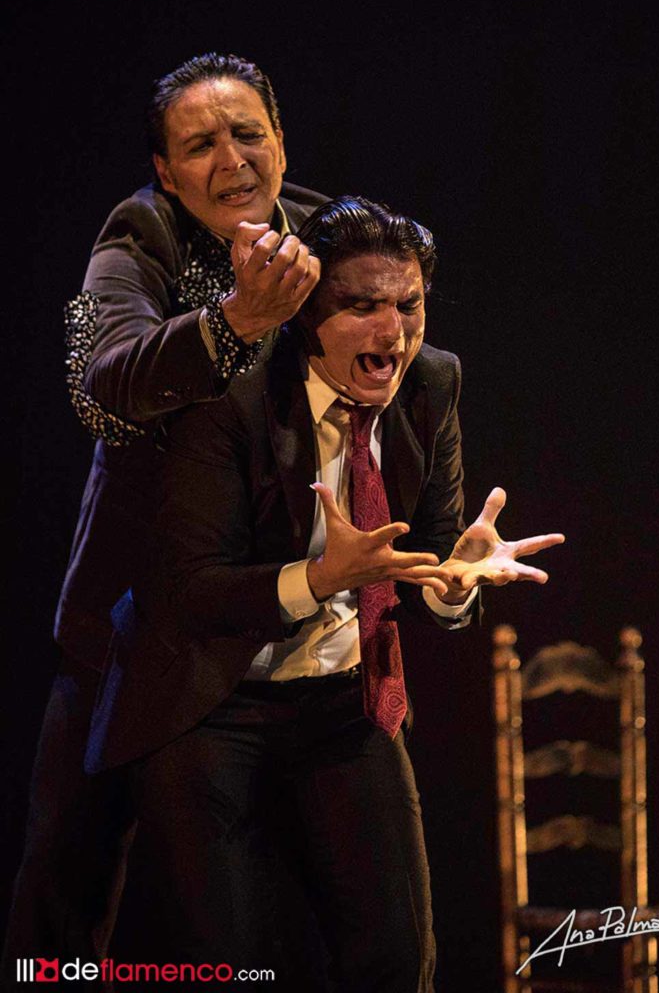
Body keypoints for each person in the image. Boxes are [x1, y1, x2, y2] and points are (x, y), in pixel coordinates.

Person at [87, 197, 565, 992]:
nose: (393, 332)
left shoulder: (432, 380)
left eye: (408, 304)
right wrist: (318, 580)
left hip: (343, 700)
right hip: (208, 700)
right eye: (362, 306)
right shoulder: (230, 394)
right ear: (307, 314)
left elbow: (430, 550)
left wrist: (454, 583)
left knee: (397, 958)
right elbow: (187, 593)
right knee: (232, 965)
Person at [3, 51, 326, 981]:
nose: (231, 160)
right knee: (64, 891)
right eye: (200, 145)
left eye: (247, 133)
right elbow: (100, 390)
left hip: (282, 618)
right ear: (166, 171)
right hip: (132, 622)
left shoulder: (330, 235)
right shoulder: (135, 234)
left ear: (279, 141)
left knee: (281, 905)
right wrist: (234, 323)